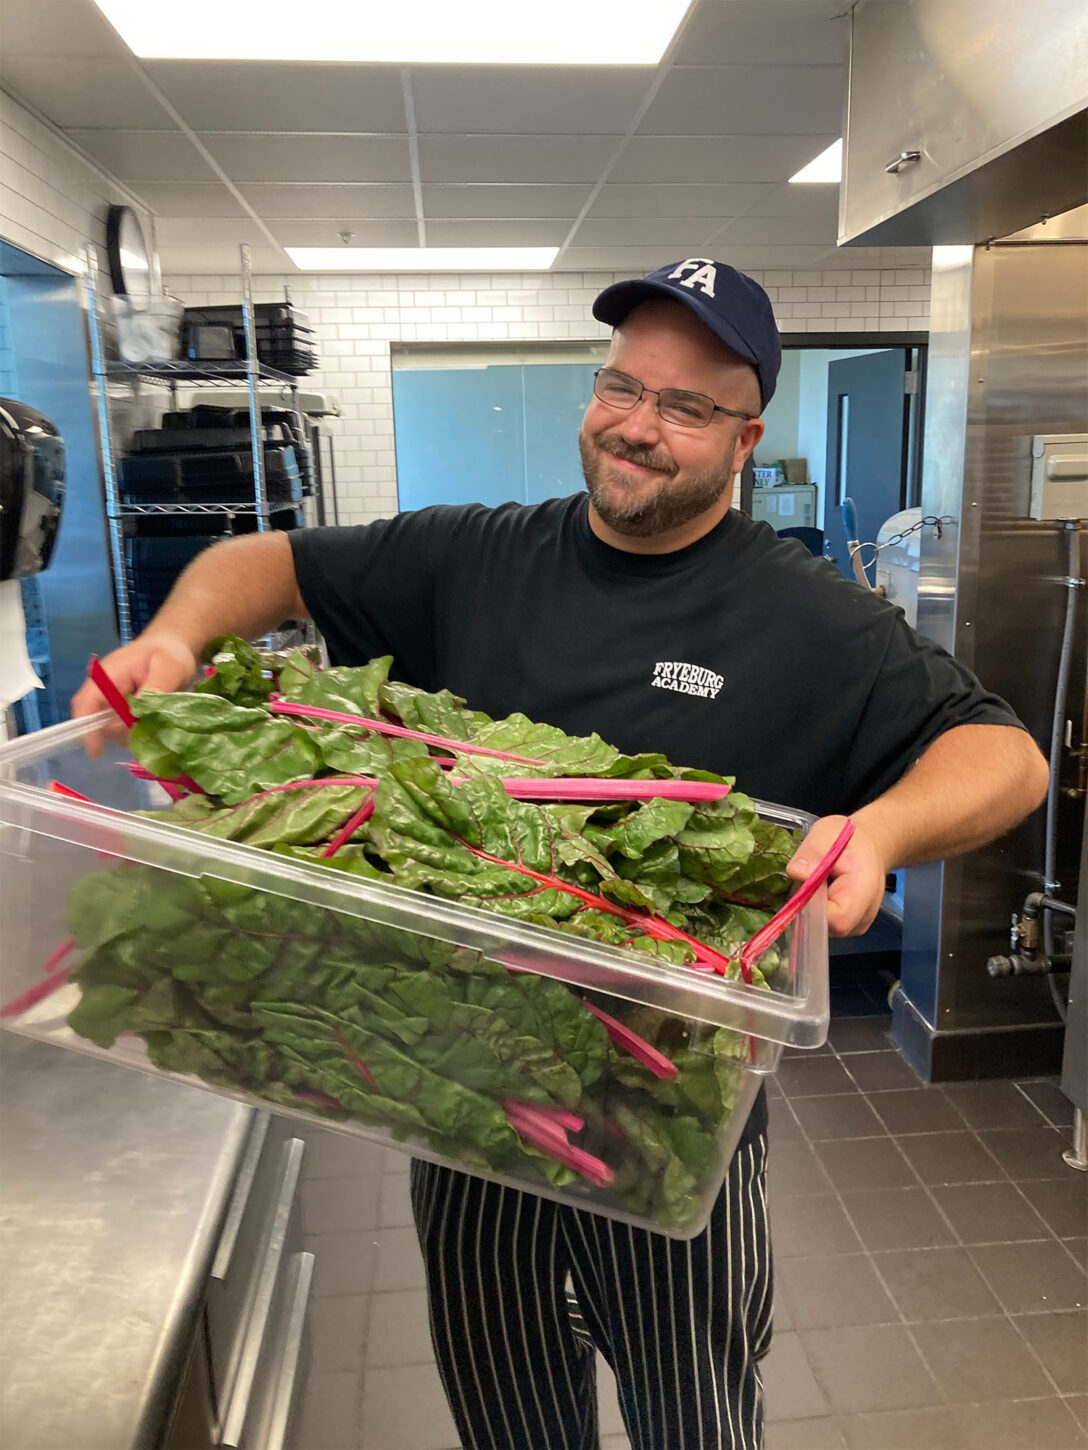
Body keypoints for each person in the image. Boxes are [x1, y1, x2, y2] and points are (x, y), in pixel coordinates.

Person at [73, 257, 1049, 1450]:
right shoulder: (474, 555)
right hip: (463, 1091)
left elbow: (1003, 754)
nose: (638, 427)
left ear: (745, 439)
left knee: (691, 1409)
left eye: (686, 407)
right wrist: (172, 641)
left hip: (673, 1106)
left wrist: (878, 829)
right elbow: (257, 566)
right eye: (621, 386)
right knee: (504, 1405)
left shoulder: (809, 617)